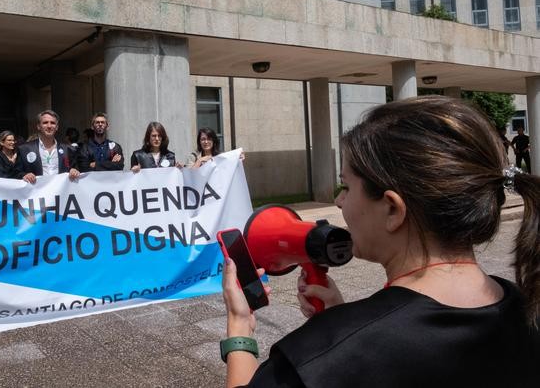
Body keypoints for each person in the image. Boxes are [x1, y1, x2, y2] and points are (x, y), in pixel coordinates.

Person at [222, 96, 539, 387]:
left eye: (345, 186)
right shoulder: (526, 312)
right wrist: (344, 323)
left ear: (392, 208)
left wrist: (239, 329)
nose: (339, 202)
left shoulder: (315, 361)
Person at [15, 110, 79, 183]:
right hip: (36, 192)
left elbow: (75, 169)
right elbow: (16, 173)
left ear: (57, 127)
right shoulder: (24, 149)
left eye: (53, 123)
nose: (49, 126)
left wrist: (74, 171)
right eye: (45, 123)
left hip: (60, 193)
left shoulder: (68, 149)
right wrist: (24, 175)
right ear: (38, 126)